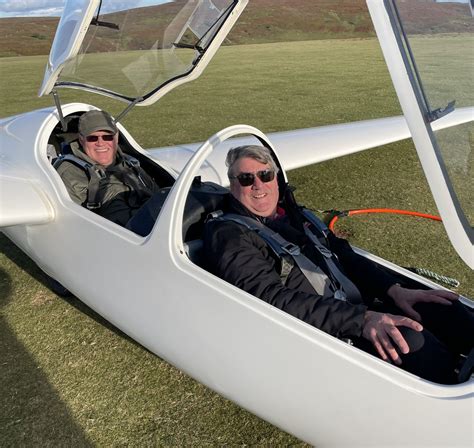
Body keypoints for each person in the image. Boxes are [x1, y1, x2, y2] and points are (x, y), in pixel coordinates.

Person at [203, 145, 474, 384]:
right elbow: (268, 299)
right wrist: (360, 320)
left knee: (446, 309)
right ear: (232, 185)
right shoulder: (229, 234)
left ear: (276, 179)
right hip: (323, 328)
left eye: (265, 175)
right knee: (412, 343)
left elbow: (346, 257)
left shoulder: (297, 215)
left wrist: (395, 290)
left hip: (360, 306)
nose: (258, 186)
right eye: (246, 179)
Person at [55, 110, 160, 227]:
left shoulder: (131, 164)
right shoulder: (69, 174)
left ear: (116, 137)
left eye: (107, 137)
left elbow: (160, 199)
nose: (101, 143)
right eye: (92, 138)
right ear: (81, 139)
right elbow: (72, 227)